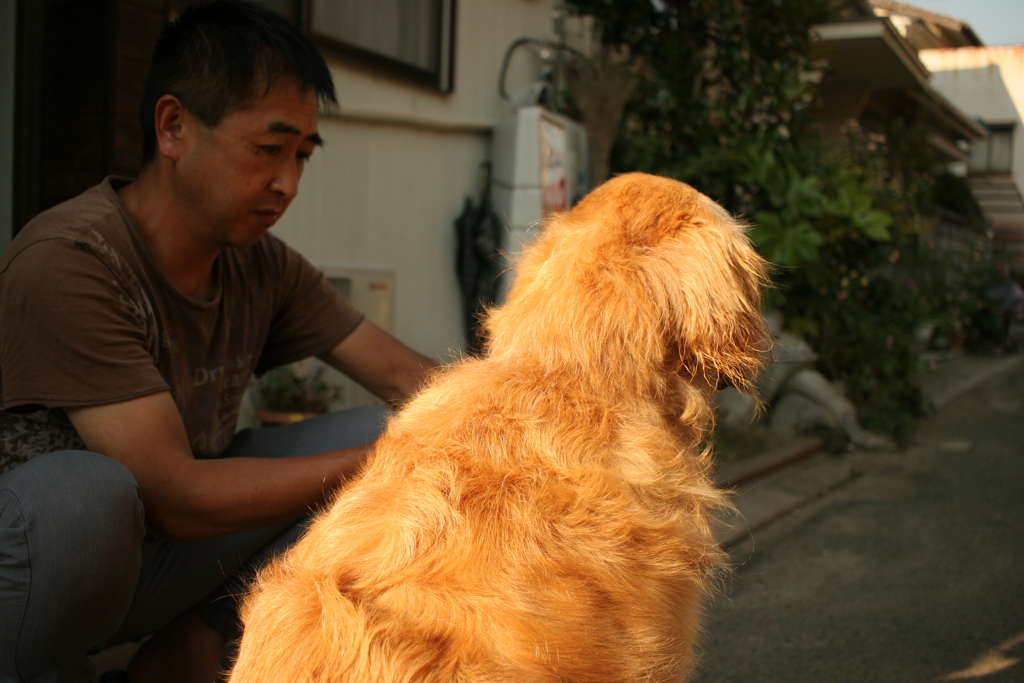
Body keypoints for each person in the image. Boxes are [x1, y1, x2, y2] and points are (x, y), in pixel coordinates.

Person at [0, 2, 438, 681]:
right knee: (87, 493)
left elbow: (409, 376)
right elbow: (171, 490)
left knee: (391, 424)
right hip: (39, 571)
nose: (287, 184)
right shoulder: (71, 258)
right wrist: (388, 457)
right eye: (268, 149)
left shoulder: (263, 265)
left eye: (302, 156)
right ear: (174, 127)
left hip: (157, 562)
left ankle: (194, 648)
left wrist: (541, 413)